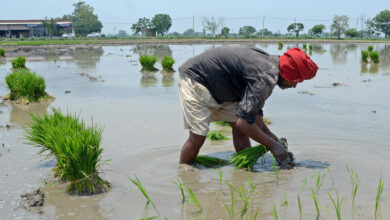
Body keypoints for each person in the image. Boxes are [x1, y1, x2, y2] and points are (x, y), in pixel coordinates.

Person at [177, 46, 318, 166]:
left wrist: (272, 138)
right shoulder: (265, 77)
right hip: (196, 80)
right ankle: (185, 172)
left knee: (240, 130)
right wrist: (273, 145)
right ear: (287, 72)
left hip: (222, 88)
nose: (294, 85)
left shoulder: (270, 65)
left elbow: (252, 115)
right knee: (198, 136)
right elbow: (243, 122)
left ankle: (245, 167)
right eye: (295, 81)